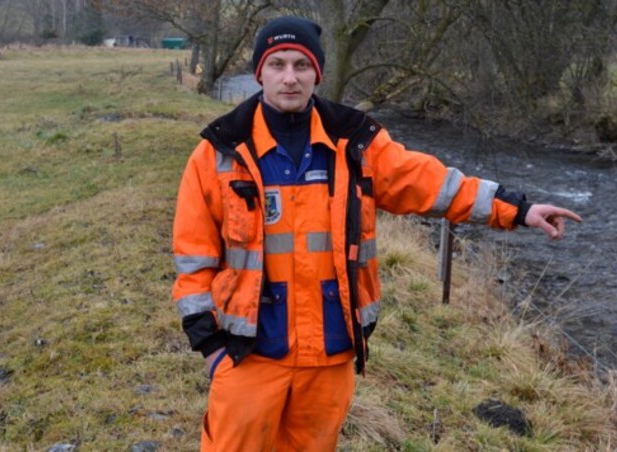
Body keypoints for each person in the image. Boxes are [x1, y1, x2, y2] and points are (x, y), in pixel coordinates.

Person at [172, 16, 582, 451]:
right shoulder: (218, 153)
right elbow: (192, 257)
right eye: (277, 65)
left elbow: (432, 185)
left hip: (329, 354)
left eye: (301, 65)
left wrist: (517, 210)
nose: (289, 78)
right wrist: (211, 347)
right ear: (259, 73)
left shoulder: (355, 143)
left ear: (318, 73)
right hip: (248, 354)